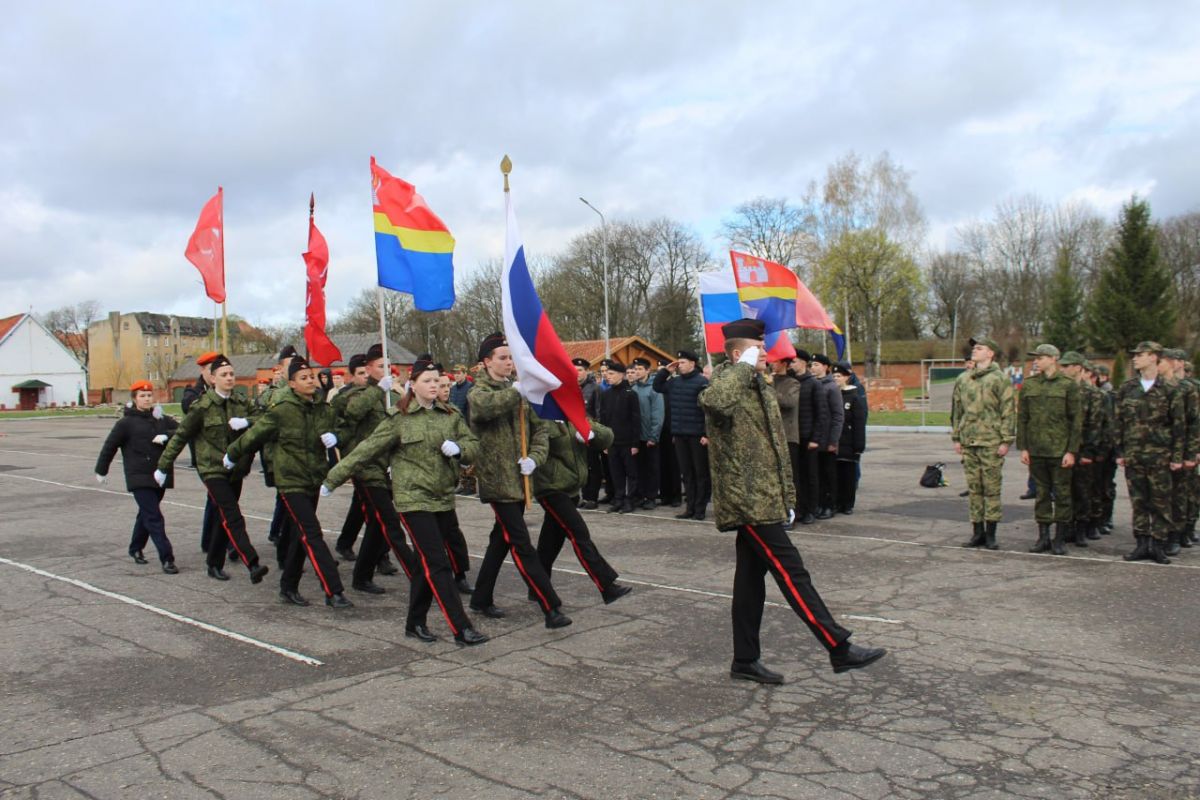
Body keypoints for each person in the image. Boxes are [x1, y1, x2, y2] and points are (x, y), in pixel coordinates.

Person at [698, 318, 886, 684]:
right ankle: (838, 646)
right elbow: (716, 403)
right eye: (759, 349)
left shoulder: (758, 385)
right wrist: (742, 367)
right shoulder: (726, 381)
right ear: (739, 353)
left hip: (764, 497)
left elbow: (775, 448)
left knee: (750, 583)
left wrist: (787, 495)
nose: (768, 355)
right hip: (746, 499)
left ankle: (745, 660)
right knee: (792, 571)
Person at [323, 358, 487, 644]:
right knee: (438, 563)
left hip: (442, 497)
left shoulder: (451, 415)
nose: (434, 385)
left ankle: (415, 623)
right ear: (413, 384)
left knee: (428, 563)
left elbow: (474, 446)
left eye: (437, 380)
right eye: (427, 381)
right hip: (413, 500)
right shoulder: (398, 418)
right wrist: (333, 478)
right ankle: (461, 628)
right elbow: (366, 450)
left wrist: (460, 449)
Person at [226, 356, 351, 607]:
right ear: (291, 384)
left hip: (313, 477)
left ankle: (288, 587)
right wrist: (232, 454)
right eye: (302, 378)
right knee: (312, 532)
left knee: (298, 534)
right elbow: (255, 434)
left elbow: (346, 428)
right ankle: (333, 590)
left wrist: (335, 436)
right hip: (290, 479)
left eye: (311, 377)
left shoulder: (322, 409)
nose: (309, 382)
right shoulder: (282, 409)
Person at [467, 333, 572, 628]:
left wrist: (535, 458)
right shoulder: (481, 392)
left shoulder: (518, 391)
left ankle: (481, 597)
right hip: (497, 480)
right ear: (486, 363)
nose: (509, 362)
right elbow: (486, 408)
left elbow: (540, 429)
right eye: (502, 357)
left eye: (510, 357)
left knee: (499, 541)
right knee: (521, 543)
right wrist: (518, 391)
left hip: (520, 478)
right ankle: (550, 606)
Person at [155, 354, 270, 584]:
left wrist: (247, 421)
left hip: (235, 468)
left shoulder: (240, 402)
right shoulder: (202, 406)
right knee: (231, 513)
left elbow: (266, 418)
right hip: (211, 469)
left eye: (231, 374)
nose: (229, 378)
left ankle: (214, 564)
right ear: (212, 378)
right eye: (223, 375)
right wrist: (163, 466)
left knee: (221, 516)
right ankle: (252, 562)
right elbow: (180, 437)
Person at [533, 415, 633, 604]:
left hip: (571, 487)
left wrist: (591, 433)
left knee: (550, 541)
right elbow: (536, 447)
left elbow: (608, 436)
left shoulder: (571, 411)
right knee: (579, 534)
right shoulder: (540, 415)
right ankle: (606, 586)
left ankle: (537, 585)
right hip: (551, 487)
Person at [333, 345, 404, 578]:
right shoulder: (358, 393)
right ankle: (412, 569)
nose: (386, 371)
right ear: (369, 368)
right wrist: (377, 390)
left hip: (387, 464)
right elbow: (354, 412)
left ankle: (364, 572)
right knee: (386, 519)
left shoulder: (390, 394)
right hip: (366, 465)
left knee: (376, 522)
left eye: (387, 366)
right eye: (380, 367)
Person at [95, 380, 180, 573]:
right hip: (138, 475)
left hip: (160, 474)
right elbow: (110, 446)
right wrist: (101, 469)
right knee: (154, 516)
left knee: (146, 514)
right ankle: (167, 558)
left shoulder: (161, 419)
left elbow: (183, 431)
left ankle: (135, 548)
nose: (147, 399)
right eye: (142, 396)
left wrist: (167, 435)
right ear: (134, 399)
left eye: (149, 395)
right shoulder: (126, 423)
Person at [1116, 342, 1184, 564]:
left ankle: (1158, 545)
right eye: (1135, 355)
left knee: (1161, 502)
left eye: (1141, 355)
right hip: (1134, 455)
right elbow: (1118, 423)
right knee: (1139, 502)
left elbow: (1179, 426)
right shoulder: (1128, 388)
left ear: (1154, 357)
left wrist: (1177, 457)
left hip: (1160, 456)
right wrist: (1120, 450)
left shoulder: (1170, 389)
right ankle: (1142, 543)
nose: (1135, 358)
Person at [951, 336, 1015, 550]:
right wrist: (957, 437)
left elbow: (1008, 410)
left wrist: (1006, 440)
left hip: (991, 442)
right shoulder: (963, 379)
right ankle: (977, 532)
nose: (975, 351)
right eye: (974, 348)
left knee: (992, 489)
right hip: (969, 441)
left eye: (980, 348)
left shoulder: (999, 379)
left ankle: (991, 534)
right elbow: (957, 410)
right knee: (974, 489)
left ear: (990, 353)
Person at [1017, 344, 1081, 555]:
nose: (1037, 361)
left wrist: (1071, 450)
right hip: (1037, 450)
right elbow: (1023, 418)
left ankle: (1060, 538)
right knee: (1041, 495)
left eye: (1041, 357)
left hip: (1059, 450)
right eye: (1036, 357)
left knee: (1062, 494)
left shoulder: (1068, 385)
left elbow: (1075, 420)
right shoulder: (1029, 385)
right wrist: (1023, 447)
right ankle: (1043, 536)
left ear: (1054, 358)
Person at [653, 349, 711, 521]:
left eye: (683, 362)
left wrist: (707, 434)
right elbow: (657, 387)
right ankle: (690, 508)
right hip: (679, 434)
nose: (679, 366)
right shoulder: (674, 382)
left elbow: (708, 411)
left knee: (700, 473)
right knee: (686, 474)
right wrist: (665, 371)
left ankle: (700, 509)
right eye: (678, 363)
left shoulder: (702, 382)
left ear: (693, 364)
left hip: (697, 435)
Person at [1060, 352, 1104, 548]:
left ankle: (1081, 529)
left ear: (1078, 367)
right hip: (1063, 448)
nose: (1063, 369)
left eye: (1067, 366)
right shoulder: (1062, 389)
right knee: (1064, 490)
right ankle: (1066, 527)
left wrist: (1089, 452)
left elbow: (1096, 425)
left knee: (1083, 490)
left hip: (1083, 449)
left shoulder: (1093, 394)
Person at [1158, 348, 1198, 556]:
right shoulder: (1158, 387)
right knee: (1162, 496)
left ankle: (1180, 532)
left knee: (1183, 494)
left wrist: (1192, 453)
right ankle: (1162, 534)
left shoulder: (1190, 388)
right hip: (1162, 450)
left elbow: (1193, 424)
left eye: (1172, 360)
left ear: (1180, 363)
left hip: (1183, 450)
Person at [597, 359, 641, 514]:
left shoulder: (630, 394)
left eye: (611, 373)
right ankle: (619, 498)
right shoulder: (606, 394)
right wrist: (605, 442)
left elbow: (636, 420)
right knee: (616, 473)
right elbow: (603, 420)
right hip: (612, 442)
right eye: (606, 374)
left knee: (630, 473)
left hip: (627, 441)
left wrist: (635, 443)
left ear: (621, 375)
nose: (608, 376)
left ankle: (630, 500)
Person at [182, 351, 217, 547]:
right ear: (203, 370)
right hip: (204, 457)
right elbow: (188, 407)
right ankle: (227, 542)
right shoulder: (193, 394)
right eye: (212, 370)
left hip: (221, 455)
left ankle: (208, 540)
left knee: (215, 499)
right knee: (219, 498)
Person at [809, 354, 843, 520]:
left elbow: (838, 415)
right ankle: (819, 504)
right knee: (818, 475)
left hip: (827, 439)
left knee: (828, 474)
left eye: (816, 364)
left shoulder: (831, 387)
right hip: (815, 437)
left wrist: (833, 440)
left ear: (825, 367)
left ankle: (830, 505)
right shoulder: (814, 385)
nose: (813, 368)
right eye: (812, 365)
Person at [629, 357, 664, 510]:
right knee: (639, 469)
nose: (637, 372)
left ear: (648, 371)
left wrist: (653, 436)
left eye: (640, 369)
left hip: (650, 436)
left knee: (652, 469)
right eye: (635, 369)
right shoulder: (633, 389)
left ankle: (651, 497)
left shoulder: (654, 389)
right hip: (637, 437)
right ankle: (640, 495)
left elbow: (658, 414)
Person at [832, 362, 866, 514]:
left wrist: (859, 446)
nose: (835, 379)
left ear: (847, 377)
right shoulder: (834, 395)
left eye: (838, 376)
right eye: (833, 376)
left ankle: (848, 504)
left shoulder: (854, 397)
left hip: (849, 443)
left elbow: (859, 423)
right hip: (836, 443)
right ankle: (837, 502)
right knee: (836, 476)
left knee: (848, 476)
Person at [575, 357, 604, 509]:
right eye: (574, 370)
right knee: (580, 466)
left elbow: (599, 412)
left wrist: (596, 431)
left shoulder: (595, 388)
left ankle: (592, 497)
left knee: (593, 466)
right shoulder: (571, 387)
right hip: (574, 433)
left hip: (590, 432)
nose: (577, 373)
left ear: (586, 371)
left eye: (580, 370)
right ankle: (583, 496)